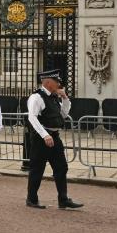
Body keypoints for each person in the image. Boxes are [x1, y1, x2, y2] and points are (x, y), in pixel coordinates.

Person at [25, 70, 82, 209]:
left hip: (54, 137)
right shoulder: (36, 97)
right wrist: (45, 135)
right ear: (48, 82)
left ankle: (63, 199)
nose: (59, 84)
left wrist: (65, 99)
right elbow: (32, 117)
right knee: (37, 169)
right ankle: (32, 199)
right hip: (41, 139)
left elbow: (63, 114)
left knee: (61, 167)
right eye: (57, 82)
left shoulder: (54, 97)